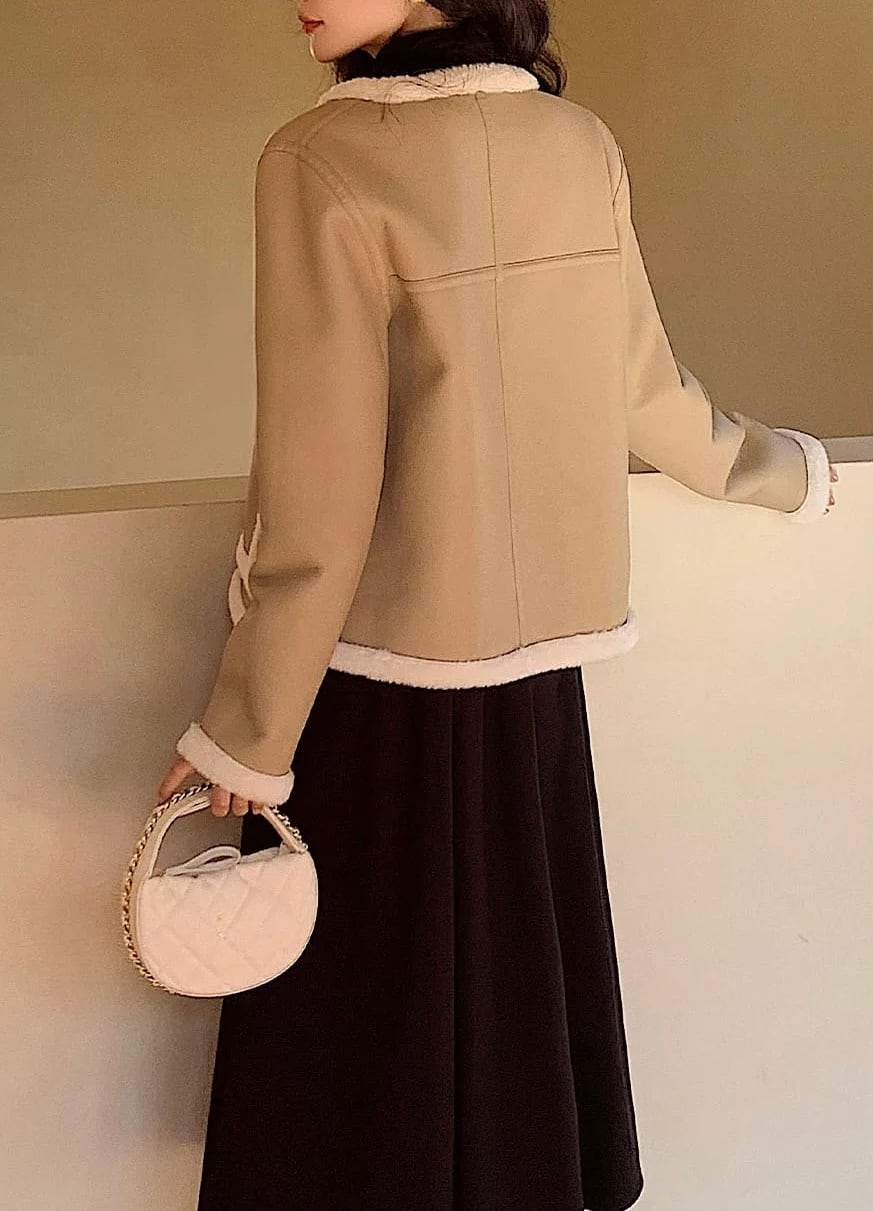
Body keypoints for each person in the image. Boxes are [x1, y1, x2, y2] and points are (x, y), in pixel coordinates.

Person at [157, 2, 839, 1207]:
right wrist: (785, 473)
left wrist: (246, 732)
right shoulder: (577, 145)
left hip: (374, 687)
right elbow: (649, 393)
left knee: (360, 1085)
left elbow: (321, 486)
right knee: (520, 1038)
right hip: (533, 688)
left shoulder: (318, 160)